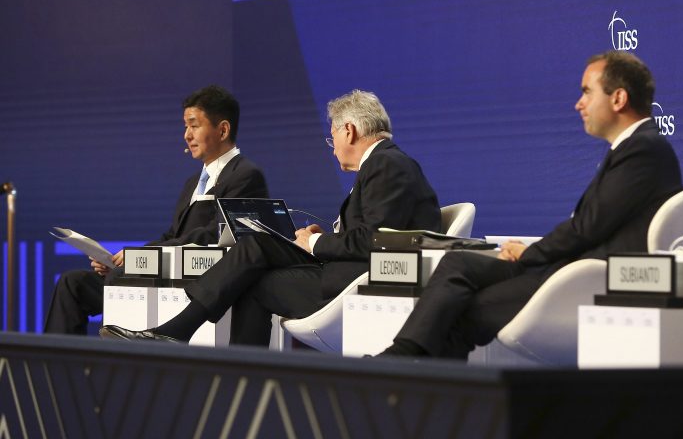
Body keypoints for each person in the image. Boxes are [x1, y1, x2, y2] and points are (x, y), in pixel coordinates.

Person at [379, 51, 683, 359]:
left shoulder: (643, 150)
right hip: (567, 268)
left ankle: (406, 373)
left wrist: (529, 254)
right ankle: (402, 356)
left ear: (618, 99)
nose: (579, 104)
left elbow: (587, 227)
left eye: (587, 92)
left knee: (462, 310)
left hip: (586, 279)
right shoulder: (636, 147)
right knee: (459, 265)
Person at [100, 90, 443, 346]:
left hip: (354, 288)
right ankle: (187, 336)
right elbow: (372, 231)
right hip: (344, 273)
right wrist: (319, 237)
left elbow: (376, 241)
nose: (333, 145)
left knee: (252, 273)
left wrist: (317, 243)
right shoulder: (385, 165)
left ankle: (182, 334)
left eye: (333, 136)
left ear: (349, 131)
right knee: (258, 246)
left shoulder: (386, 164)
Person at [44, 85, 269, 335]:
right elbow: (172, 235)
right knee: (72, 283)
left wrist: (140, 257)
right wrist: (122, 259)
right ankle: (59, 371)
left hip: (200, 283)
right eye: (185, 126)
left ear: (223, 129)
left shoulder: (246, 175)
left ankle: (125, 353)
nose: (187, 135)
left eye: (194, 125)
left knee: (118, 279)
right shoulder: (192, 183)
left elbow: (215, 236)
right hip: (165, 274)